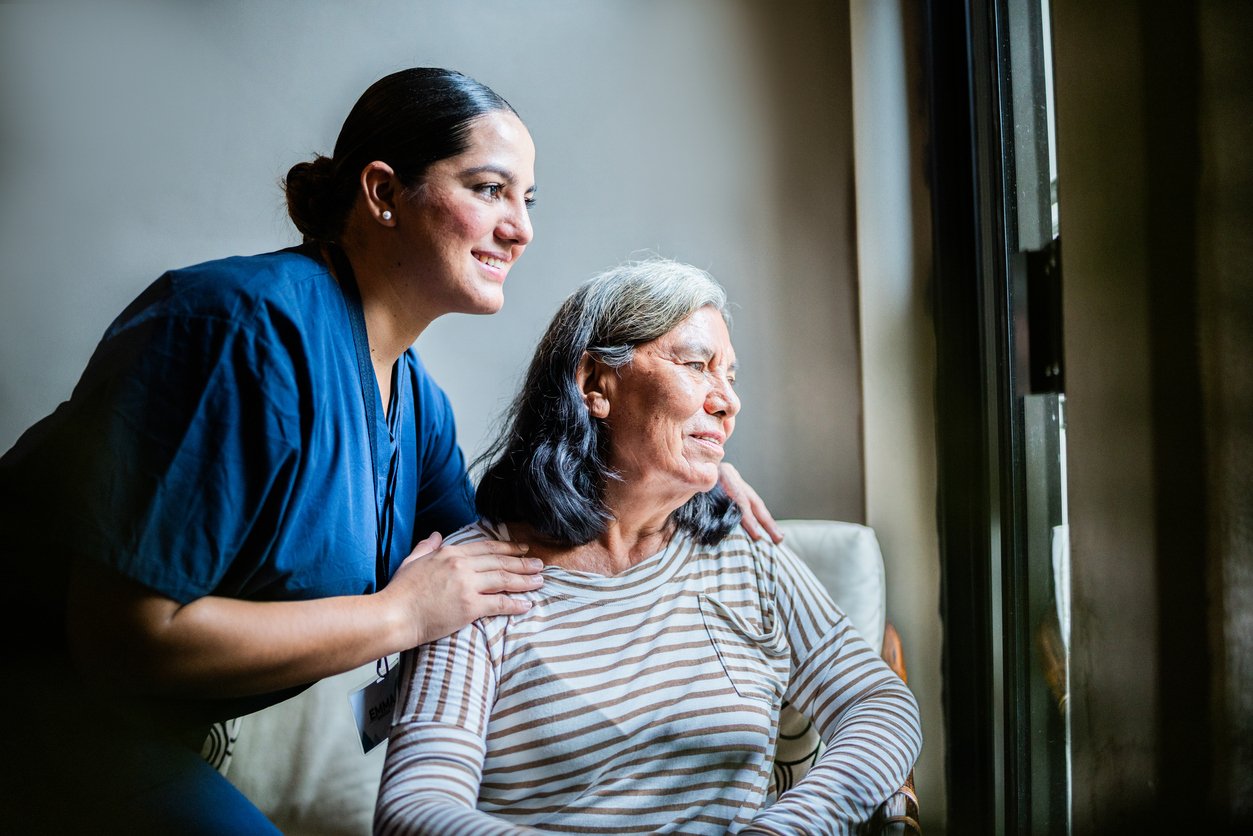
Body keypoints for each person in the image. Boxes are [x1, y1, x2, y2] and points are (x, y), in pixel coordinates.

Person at [0, 69, 777, 834]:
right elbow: (124, 637)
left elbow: (523, 560)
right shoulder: (234, 329)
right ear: (381, 194)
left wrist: (675, 466)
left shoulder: (415, 403)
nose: (521, 227)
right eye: (488, 189)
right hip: (37, 711)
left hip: (137, 735)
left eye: (527, 199)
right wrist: (397, 613)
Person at [373, 259, 923, 835]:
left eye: (730, 377)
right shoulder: (476, 576)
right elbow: (416, 813)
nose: (727, 401)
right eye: (695, 365)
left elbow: (881, 708)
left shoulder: (744, 550)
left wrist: (788, 828)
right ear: (595, 385)